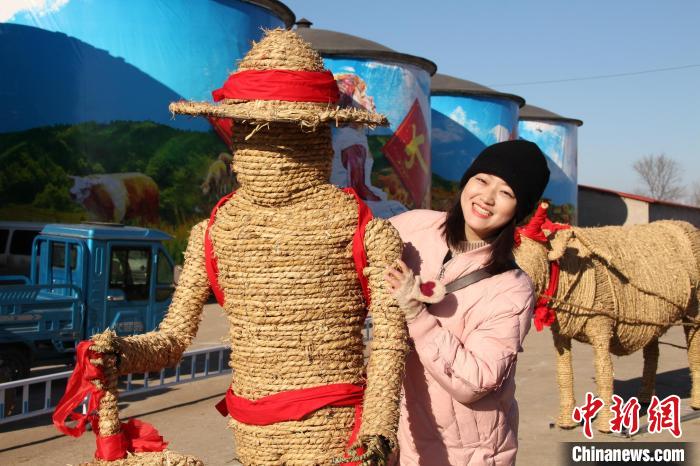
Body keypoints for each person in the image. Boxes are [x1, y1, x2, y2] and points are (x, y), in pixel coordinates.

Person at [384, 140, 550, 465]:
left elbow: (474, 382)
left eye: (506, 193)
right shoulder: (413, 227)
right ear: (468, 180)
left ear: (519, 210)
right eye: (482, 180)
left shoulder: (512, 289)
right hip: (399, 438)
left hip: (466, 453)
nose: (486, 198)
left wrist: (416, 314)